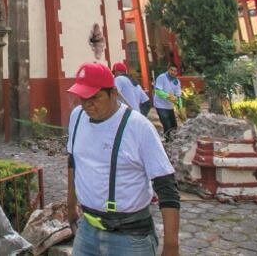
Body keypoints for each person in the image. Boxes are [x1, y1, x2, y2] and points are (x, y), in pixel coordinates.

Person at [66, 62, 180, 256]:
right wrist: (71, 206)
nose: (87, 104)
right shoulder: (77, 117)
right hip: (87, 231)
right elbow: (73, 161)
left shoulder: (139, 127)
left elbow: (166, 186)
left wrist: (171, 246)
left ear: (114, 93)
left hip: (128, 237)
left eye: (94, 97)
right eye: (82, 98)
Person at [153, 65, 182, 140]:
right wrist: (169, 96)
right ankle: (168, 141)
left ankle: (174, 141)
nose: (173, 72)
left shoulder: (177, 81)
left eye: (175, 71)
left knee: (174, 126)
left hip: (170, 105)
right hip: (160, 105)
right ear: (168, 70)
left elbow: (178, 95)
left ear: (177, 72)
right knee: (167, 125)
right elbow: (158, 91)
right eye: (171, 70)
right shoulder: (162, 77)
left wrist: (180, 108)